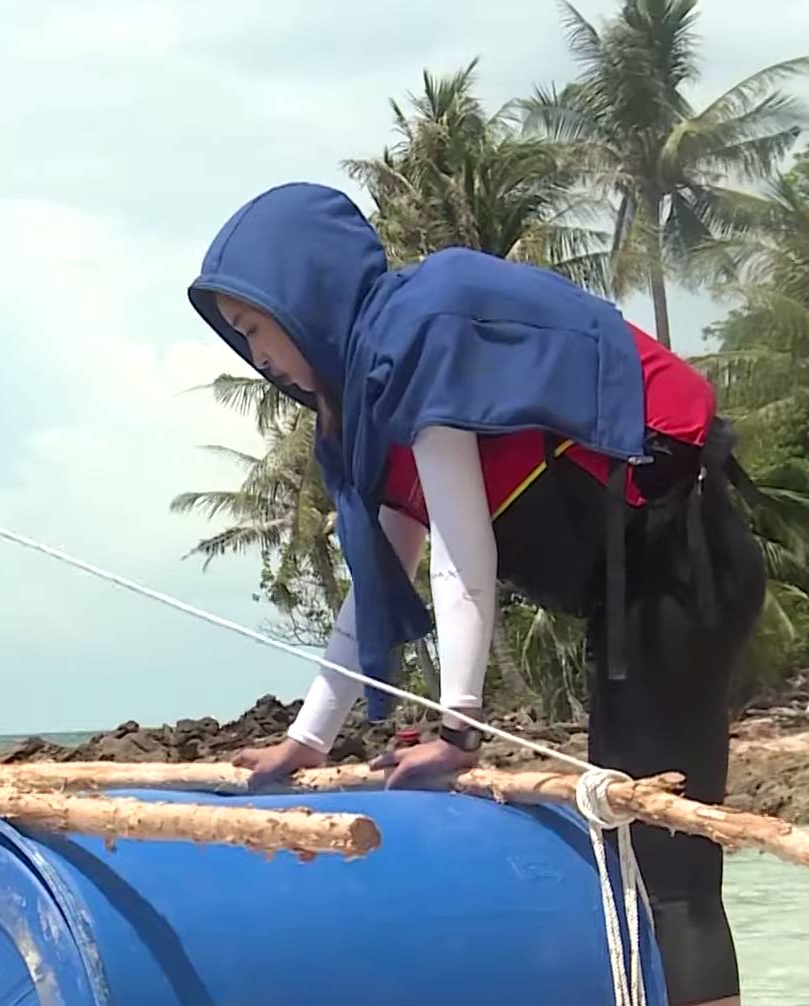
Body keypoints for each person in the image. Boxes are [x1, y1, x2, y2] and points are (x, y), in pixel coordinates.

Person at [186, 182, 765, 1006]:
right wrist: (308, 739)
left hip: (682, 561)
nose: (255, 357)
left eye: (253, 327)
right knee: (628, 852)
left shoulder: (419, 337)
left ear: (303, 293)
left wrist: (458, 728)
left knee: (663, 870)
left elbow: (461, 553)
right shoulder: (356, 415)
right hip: (633, 596)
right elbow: (376, 590)